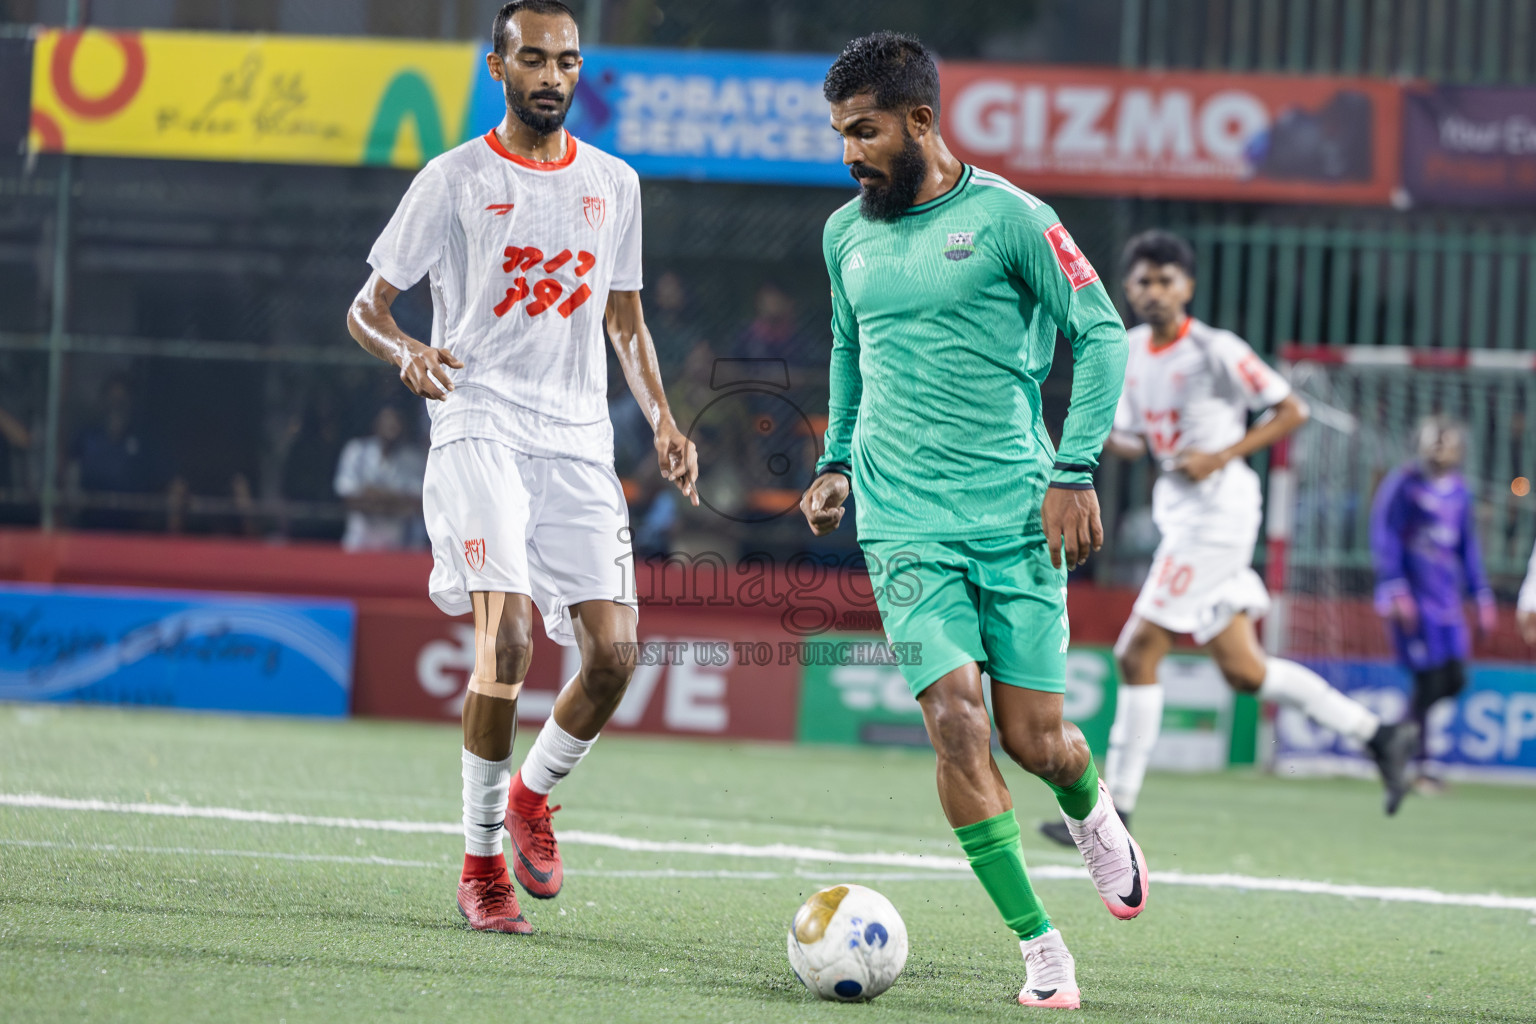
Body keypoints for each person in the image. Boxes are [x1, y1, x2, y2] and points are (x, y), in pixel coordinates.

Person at [799, 32, 1144, 1010]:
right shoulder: (844, 235)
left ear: (920, 122)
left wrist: (1073, 469)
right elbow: (847, 348)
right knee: (955, 723)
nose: (850, 153)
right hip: (903, 523)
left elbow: (1103, 332)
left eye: (864, 132)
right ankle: (1041, 947)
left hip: (1014, 515)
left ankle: (1093, 810)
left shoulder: (1011, 219)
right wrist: (835, 459)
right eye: (839, 135)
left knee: (1038, 741)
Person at [345, 0, 698, 935]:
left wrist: (664, 419)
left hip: (580, 436)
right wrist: (407, 354)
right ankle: (481, 863)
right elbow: (366, 308)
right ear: (496, 67)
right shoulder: (453, 177)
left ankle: (534, 794)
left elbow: (624, 317)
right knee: (506, 645)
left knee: (616, 658)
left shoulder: (615, 183)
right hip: (478, 418)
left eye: (567, 61)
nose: (552, 77)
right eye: (533, 59)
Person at [1038, 231, 1416, 856]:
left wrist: (1221, 455)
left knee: (1136, 654)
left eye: (1166, 280)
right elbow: (1136, 438)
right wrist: (1096, 434)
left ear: (1187, 287)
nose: (1154, 291)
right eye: (1143, 281)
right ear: (1127, 289)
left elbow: (1291, 409)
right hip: (1182, 518)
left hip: (1220, 516)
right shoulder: (1128, 352)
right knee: (1245, 672)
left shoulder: (1217, 350)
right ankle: (1377, 734)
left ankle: (1118, 813)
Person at [1370, 416, 1494, 792]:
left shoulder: (1459, 492)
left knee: (1454, 678)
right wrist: (1395, 588)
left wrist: (1482, 595)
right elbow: (1384, 535)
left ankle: (1391, 737)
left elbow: (1467, 548)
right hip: (1413, 600)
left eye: (1448, 444)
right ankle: (1422, 767)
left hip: (1447, 602)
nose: (1441, 452)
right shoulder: (1404, 484)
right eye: (1435, 444)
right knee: (1427, 680)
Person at [333, 405, 428, 552]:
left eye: (395, 421)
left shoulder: (414, 459)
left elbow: (416, 504)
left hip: (399, 548)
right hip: (359, 544)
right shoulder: (356, 451)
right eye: (386, 420)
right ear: (376, 423)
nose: (391, 426)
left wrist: (373, 494)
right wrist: (395, 499)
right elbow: (348, 498)